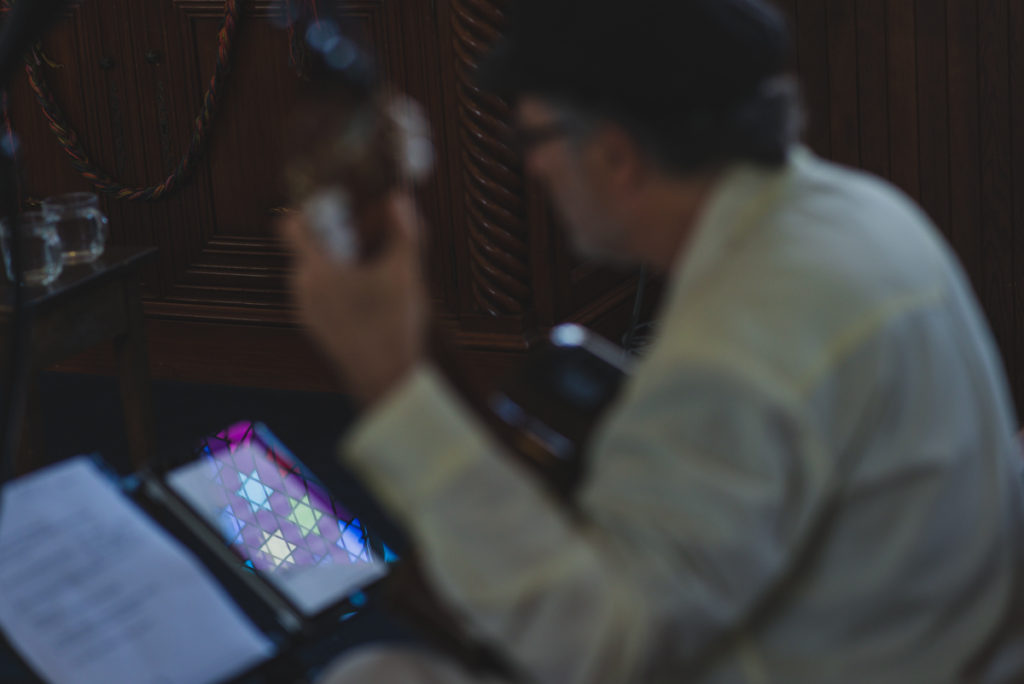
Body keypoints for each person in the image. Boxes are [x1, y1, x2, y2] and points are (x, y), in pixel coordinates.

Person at [282, 1, 1024, 681]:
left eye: (534, 136)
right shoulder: (864, 211)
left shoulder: (730, 353)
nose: (531, 165)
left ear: (614, 155)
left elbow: (600, 649)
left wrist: (390, 381)